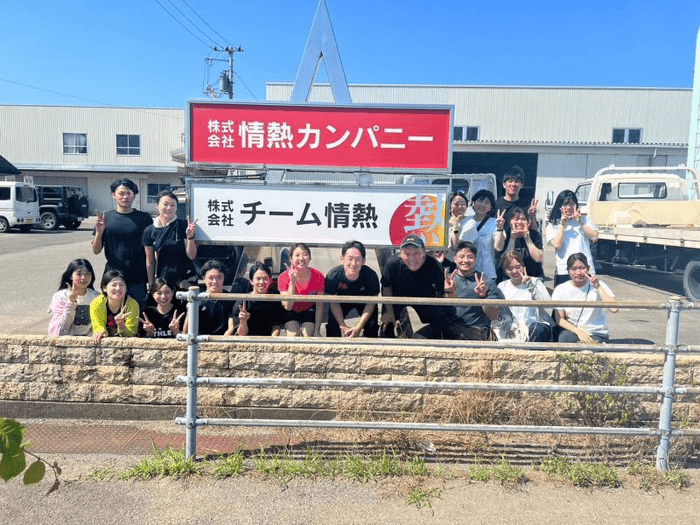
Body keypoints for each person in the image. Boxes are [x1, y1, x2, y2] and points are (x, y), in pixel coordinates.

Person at [380, 234, 473, 340]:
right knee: (386, 321)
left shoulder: (433, 265)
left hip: (425, 296)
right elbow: (386, 286)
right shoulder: (392, 263)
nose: (412, 258)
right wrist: (389, 311)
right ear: (401, 253)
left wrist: (450, 291)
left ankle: (432, 337)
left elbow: (447, 298)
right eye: (407, 254)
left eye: (416, 253)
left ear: (424, 252)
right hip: (399, 296)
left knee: (443, 318)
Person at [91, 178, 152, 309]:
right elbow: (96, 250)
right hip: (113, 278)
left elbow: (150, 251)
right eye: (121, 193)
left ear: (134, 196)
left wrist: (151, 279)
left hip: (137, 278)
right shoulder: (106, 218)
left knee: (138, 315)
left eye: (129, 193)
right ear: (114, 195)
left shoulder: (144, 218)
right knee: (113, 315)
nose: (125, 197)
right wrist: (99, 232)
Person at [552, 253, 618, 344]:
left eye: (582, 268)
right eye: (574, 269)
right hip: (574, 331)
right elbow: (560, 320)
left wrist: (598, 287)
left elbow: (614, 309)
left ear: (588, 268)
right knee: (564, 339)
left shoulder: (600, 285)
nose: (578, 272)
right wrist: (579, 332)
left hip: (596, 332)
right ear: (568, 271)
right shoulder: (560, 289)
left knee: (591, 348)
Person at [445, 241, 503, 340]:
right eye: (461, 257)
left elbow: (494, 315)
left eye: (470, 257)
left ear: (475, 259)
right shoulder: (447, 281)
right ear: (455, 259)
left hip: (477, 329)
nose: (465, 260)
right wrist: (449, 291)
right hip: (450, 328)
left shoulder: (486, 282)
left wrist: (483, 297)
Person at [142, 190, 198, 291]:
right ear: (157, 205)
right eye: (165, 204)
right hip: (164, 280)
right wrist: (151, 284)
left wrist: (190, 237)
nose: (169, 208)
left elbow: (191, 256)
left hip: (186, 279)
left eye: (173, 205)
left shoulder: (183, 225)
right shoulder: (149, 231)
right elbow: (150, 262)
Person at [325, 240, 380, 338]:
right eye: (350, 259)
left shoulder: (371, 276)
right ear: (342, 259)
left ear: (363, 261)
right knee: (333, 325)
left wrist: (359, 326)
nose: (353, 264)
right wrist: (342, 325)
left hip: (364, 301)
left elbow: (371, 303)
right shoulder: (333, 276)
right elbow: (333, 302)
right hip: (341, 301)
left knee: (372, 324)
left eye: (358, 259)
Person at [546, 190, 599, 286]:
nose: (568, 207)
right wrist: (562, 224)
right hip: (564, 269)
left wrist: (580, 222)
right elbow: (557, 245)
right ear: (559, 206)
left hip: (585, 268)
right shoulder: (553, 224)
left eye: (572, 204)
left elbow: (595, 237)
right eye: (565, 204)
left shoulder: (584, 219)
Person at [497, 252, 554, 342]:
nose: (514, 271)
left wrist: (530, 285)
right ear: (504, 270)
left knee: (537, 329)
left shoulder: (535, 282)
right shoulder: (502, 286)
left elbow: (548, 303)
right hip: (513, 328)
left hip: (536, 325)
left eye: (517, 267)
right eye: (509, 268)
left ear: (523, 267)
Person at [278, 243, 325, 337]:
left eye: (305, 254)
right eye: (297, 255)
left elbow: (319, 305)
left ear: (310, 258)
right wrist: (292, 282)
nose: (301, 258)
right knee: (293, 336)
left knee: (308, 335)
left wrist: (317, 330)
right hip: (291, 310)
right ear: (291, 259)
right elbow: (288, 306)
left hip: (308, 308)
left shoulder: (318, 276)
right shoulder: (283, 277)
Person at [48, 258, 101, 336]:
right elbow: (61, 329)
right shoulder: (60, 297)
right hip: (67, 340)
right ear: (71, 276)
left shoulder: (96, 297)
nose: (83, 277)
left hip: (90, 340)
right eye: (79, 274)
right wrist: (71, 303)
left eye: (87, 274)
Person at [454, 189, 498, 281]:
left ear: (491, 207)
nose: (482, 205)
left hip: (486, 272)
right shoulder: (463, 220)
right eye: (480, 201)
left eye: (487, 202)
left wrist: (500, 228)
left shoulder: (494, 223)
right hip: (463, 271)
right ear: (473, 202)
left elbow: (498, 247)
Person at [184, 259, 235, 336]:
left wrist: (222, 341)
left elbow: (231, 328)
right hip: (201, 340)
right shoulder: (197, 299)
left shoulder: (231, 299)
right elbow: (186, 331)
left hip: (224, 340)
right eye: (211, 278)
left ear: (224, 278)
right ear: (204, 279)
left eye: (219, 277)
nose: (215, 281)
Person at [233, 261, 284, 337]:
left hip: (268, 341)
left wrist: (271, 341)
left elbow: (276, 327)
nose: (262, 282)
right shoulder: (243, 302)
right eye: (258, 278)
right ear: (251, 281)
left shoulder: (274, 301)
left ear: (270, 280)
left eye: (265, 278)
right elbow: (241, 334)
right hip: (247, 341)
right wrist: (243, 321)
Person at [494, 206, 544, 281]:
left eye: (523, 219)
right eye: (516, 219)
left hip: (533, 278)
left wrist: (527, 239)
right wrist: (512, 239)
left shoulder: (534, 235)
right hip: (510, 279)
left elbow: (538, 258)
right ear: (510, 222)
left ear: (528, 222)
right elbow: (505, 261)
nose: (520, 222)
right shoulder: (505, 235)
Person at [90, 269, 140, 343]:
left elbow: (132, 333)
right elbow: (98, 327)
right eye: (114, 285)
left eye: (122, 285)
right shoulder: (97, 303)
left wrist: (121, 325)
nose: (118, 288)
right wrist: (100, 332)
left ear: (126, 288)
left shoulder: (132, 304)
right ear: (104, 288)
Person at [495, 165, 538, 229]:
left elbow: (534, 229)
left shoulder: (526, 205)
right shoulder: (496, 204)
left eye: (517, 181)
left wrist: (532, 217)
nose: (513, 184)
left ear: (521, 185)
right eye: (510, 181)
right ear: (504, 184)